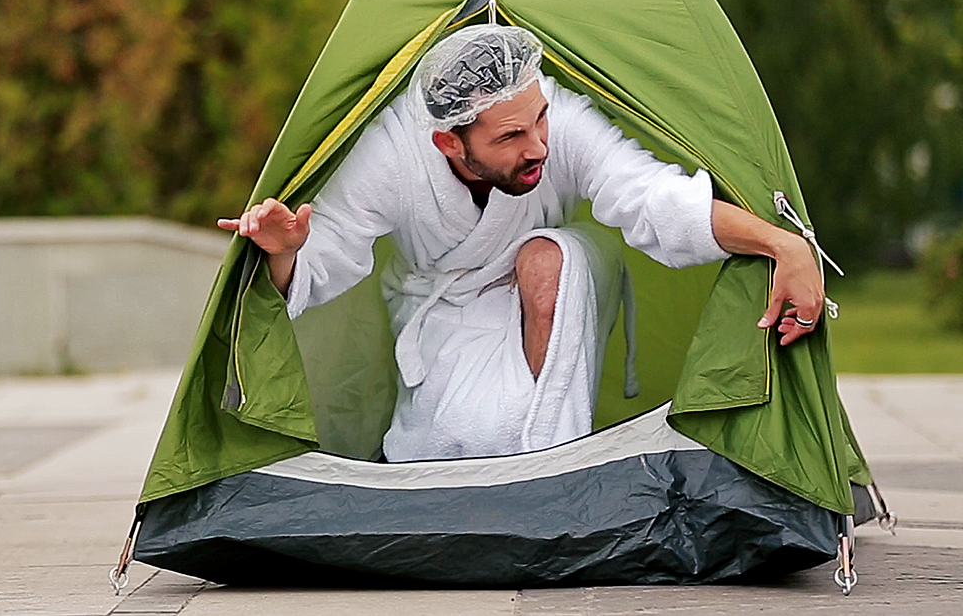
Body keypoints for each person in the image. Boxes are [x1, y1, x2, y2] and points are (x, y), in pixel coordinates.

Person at [218, 25, 823, 462]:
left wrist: (783, 245)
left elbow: (651, 197)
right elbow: (323, 260)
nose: (538, 146)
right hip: (443, 303)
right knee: (458, 443)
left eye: (540, 121)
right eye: (510, 137)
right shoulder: (394, 153)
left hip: (558, 275)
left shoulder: (554, 116)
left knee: (544, 261)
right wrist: (284, 251)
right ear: (449, 143)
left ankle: (555, 469)